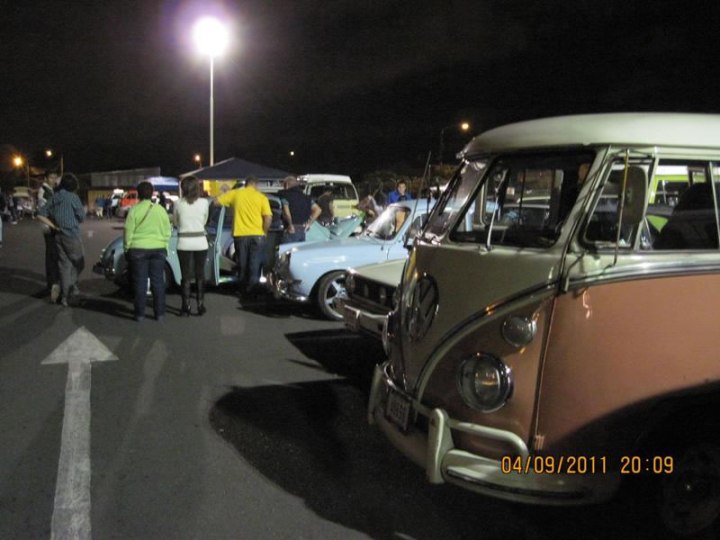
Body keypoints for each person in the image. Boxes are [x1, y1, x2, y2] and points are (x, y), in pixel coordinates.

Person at [214, 175, 272, 299]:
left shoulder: (235, 194)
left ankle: (243, 290)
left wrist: (230, 204)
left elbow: (216, 202)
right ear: (255, 185)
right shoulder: (262, 197)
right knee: (255, 264)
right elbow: (268, 217)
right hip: (257, 235)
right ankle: (252, 292)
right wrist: (264, 232)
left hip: (240, 235)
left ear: (246, 184)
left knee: (242, 264)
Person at [124, 181, 171, 321]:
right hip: (158, 249)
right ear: (152, 194)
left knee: (140, 282)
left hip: (138, 249)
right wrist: (164, 245)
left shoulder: (134, 210)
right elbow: (167, 231)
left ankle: (139, 314)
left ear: (138, 194)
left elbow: (128, 231)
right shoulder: (160, 210)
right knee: (158, 281)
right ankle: (160, 313)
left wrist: (127, 248)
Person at [36, 173, 85, 307]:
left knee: (64, 266)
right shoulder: (73, 197)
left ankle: (64, 297)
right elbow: (81, 217)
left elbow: (40, 214)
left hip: (58, 235)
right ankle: (71, 289)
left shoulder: (55, 196)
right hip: (72, 235)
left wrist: (54, 226)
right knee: (79, 263)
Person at [173, 176, 210, 316]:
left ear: (183, 188)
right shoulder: (204, 202)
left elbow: (176, 222)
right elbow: (205, 220)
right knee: (200, 274)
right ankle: (200, 305)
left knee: (185, 275)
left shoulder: (178, 203)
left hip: (184, 242)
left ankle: (185, 306)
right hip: (200, 241)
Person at [278, 175, 321, 243]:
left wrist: (290, 225)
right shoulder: (306, 198)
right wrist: (309, 223)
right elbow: (318, 210)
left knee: (287, 249)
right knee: (299, 249)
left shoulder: (285, 195)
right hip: (302, 230)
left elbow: (287, 212)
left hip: (291, 230)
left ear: (287, 185)